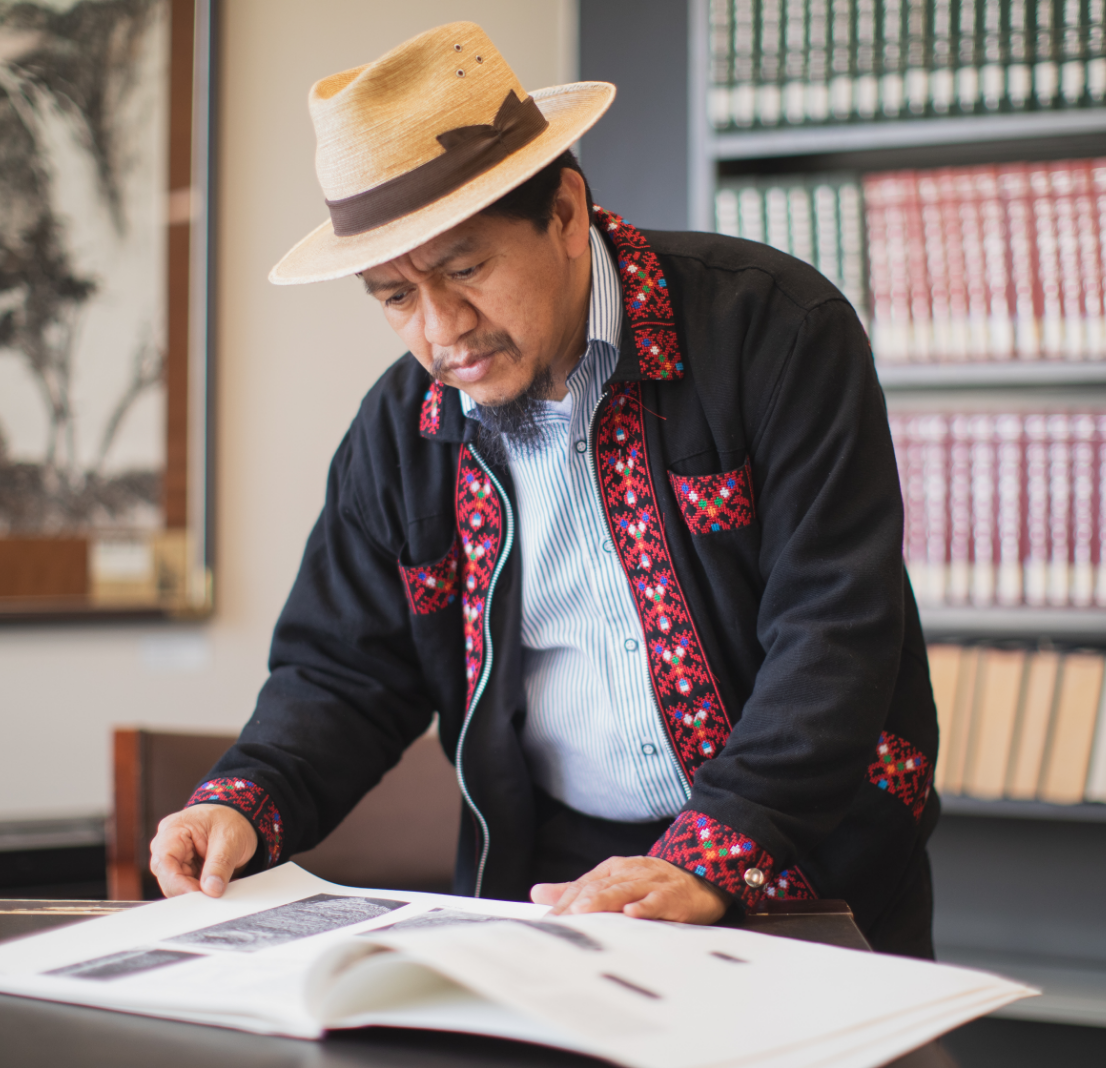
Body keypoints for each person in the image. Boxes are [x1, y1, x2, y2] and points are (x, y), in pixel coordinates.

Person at [150, 21, 939, 955]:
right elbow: (344, 671)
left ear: (565, 214)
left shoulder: (777, 331)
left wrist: (713, 854)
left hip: (796, 850)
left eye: (465, 269)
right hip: (552, 874)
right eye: (396, 297)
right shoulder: (403, 428)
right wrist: (251, 798)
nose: (442, 334)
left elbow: (834, 627)